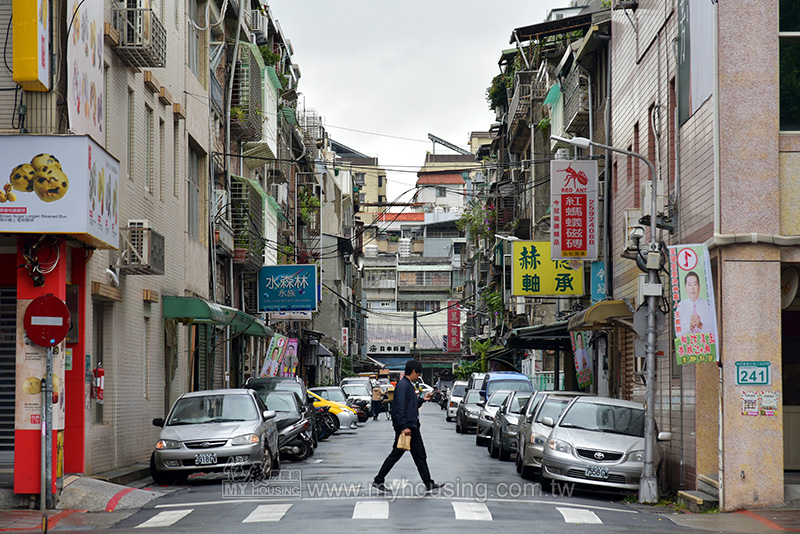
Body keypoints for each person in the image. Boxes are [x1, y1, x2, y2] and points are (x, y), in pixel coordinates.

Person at [372, 359, 442, 493]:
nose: (418, 376)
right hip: (408, 427)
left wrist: (422, 399)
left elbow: (411, 404)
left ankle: (428, 482)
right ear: (414, 372)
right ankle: (379, 479)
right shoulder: (404, 385)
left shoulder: (407, 385)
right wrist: (404, 426)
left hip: (411, 425)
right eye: (418, 373)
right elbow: (399, 408)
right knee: (402, 454)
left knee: (418, 455)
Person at [676, 271, 717, 336]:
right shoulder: (680, 306)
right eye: (689, 285)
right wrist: (690, 327)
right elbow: (677, 333)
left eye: (695, 284)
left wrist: (701, 325)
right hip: (688, 344)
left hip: (705, 344)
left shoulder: (707, 305)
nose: (692, 288)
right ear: (685, 288)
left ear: (699, 287)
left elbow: (714, 330)